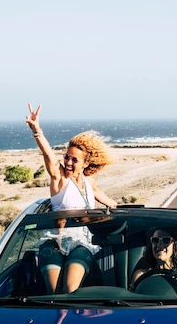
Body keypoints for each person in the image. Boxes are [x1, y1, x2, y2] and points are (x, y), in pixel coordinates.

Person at [25, 103, 118, 293]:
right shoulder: (59, 179)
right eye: (67, 156)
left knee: (69, 290)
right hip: (55, 242)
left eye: (74, 159)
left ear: (85, 163)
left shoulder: (89, 181)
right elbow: (48, 155)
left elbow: (109, 202)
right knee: (53, 293)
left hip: (81, 243)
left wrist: (120, 213)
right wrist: (37, 131)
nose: (68, 162)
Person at [130, 228, 177, 296]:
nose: (159, 245)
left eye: (166, 240)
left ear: (175, 244)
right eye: (155, 240)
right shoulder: (140, 275)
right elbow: (132, 302)